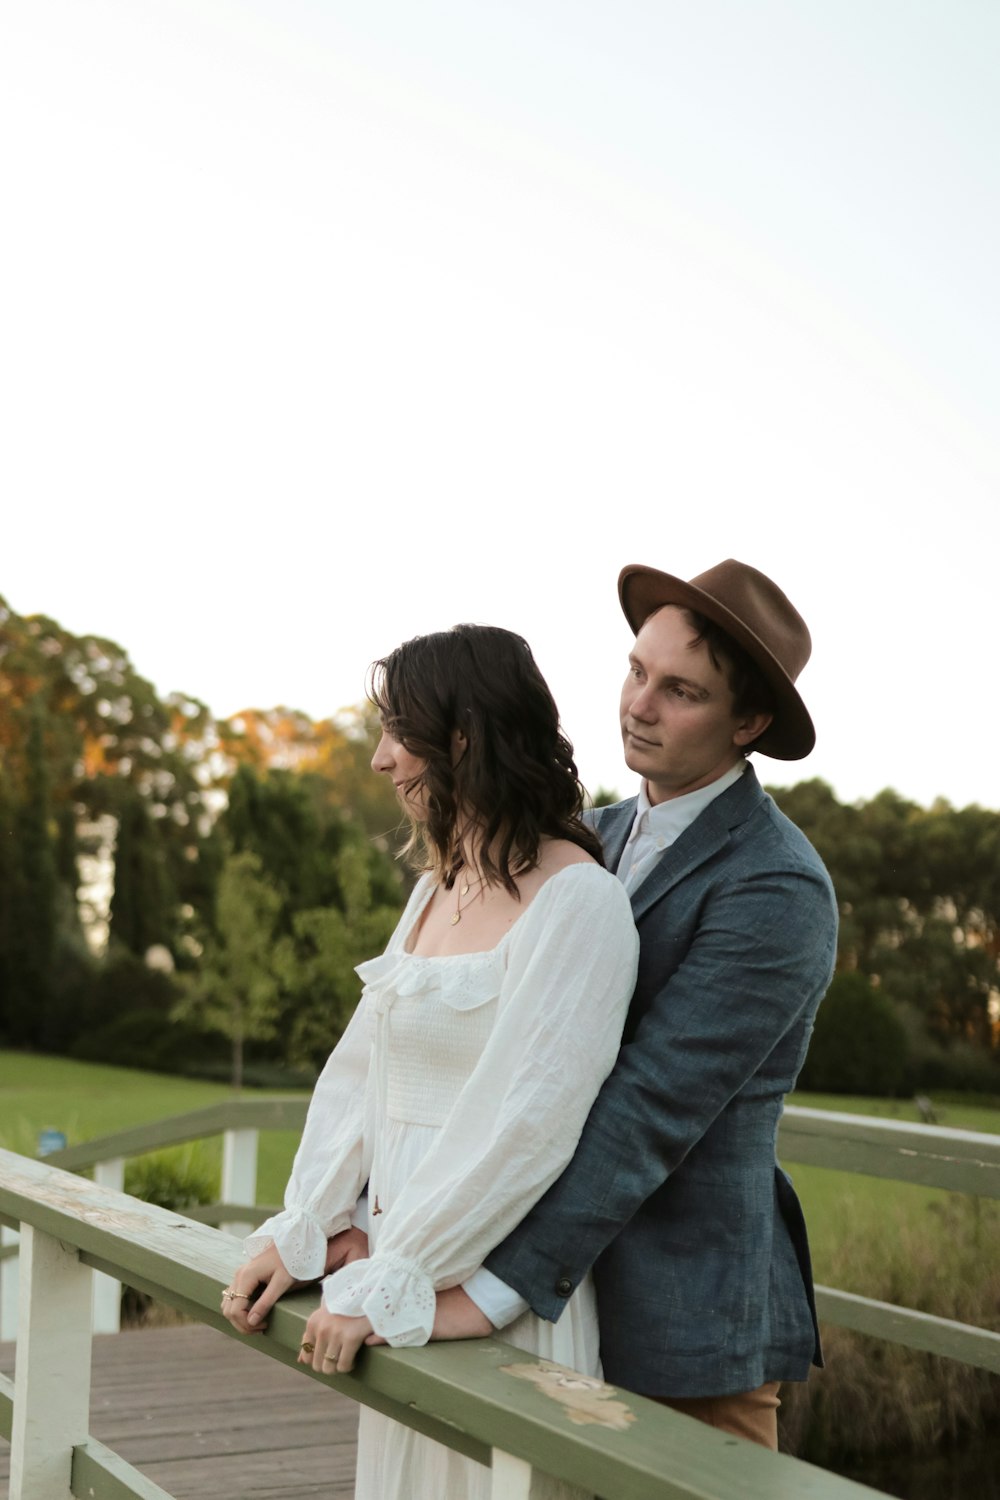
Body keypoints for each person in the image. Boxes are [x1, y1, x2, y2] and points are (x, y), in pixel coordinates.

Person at [221, 623, 640, 1500]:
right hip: (390, 1282)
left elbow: (526, 1123)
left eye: (395, 732)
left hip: (480, 1288)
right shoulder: (433, 889)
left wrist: (403, 1271)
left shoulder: (581, 904)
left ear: (463, 739)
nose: (380, 760)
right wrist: (305, 1228)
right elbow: (360, 1076)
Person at [444, 558, 839, 1452]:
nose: (639, 705)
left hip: (684, 1322)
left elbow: (650, 1104)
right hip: (559, 1299)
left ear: (749, 722)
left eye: (680, 691)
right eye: (635, 671)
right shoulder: (595, 837)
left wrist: (493, 1287)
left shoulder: (777, 886)